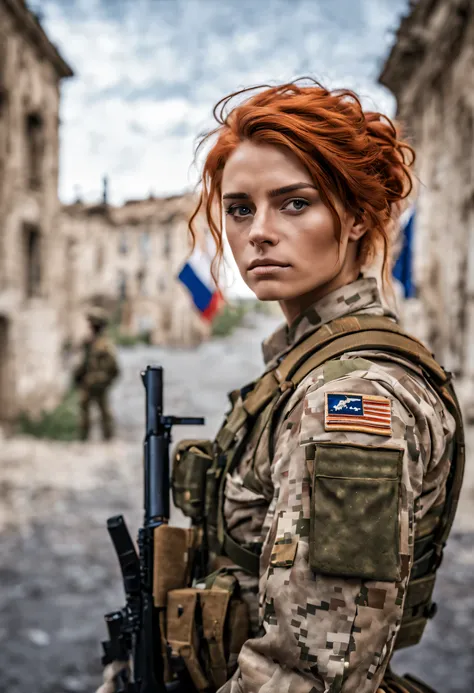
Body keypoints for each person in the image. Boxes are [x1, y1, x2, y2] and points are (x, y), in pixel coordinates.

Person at [97, 80, 464, 693]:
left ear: (353, 217)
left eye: (294, 203)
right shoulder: (301, 366)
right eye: (240, 208)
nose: (258, 232)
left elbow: (311, 676)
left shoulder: (350, 397)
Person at [73, 306, 120, 441]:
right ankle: (83, 437)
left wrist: (105, 380)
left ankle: (108, 437)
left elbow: (114, 367)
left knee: (104, 411)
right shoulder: (88, 342)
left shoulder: (105, 344)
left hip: (99, 383)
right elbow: (84, 361)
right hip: (88, 382)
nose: (90, 326)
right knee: (84, 411)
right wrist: (78, 375)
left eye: (92, 324)